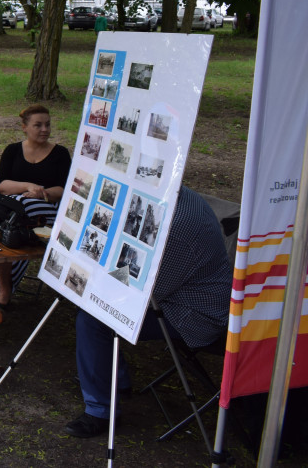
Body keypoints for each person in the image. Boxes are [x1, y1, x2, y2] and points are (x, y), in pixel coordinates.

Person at [66, 186, 231, 438]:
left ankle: (100, 411)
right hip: (176, 297)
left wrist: (94, 282)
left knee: (93, 318)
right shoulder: (175, 197)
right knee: (93, 304)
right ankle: (113, 381)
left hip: (194, 316)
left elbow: (144, 292)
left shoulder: (177, 228)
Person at [0, 104, 72, 308]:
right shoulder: (12, 151)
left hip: (48, 213)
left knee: (19, 214)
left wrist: (41, 193)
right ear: (24, 127)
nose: (45, 129)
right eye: (38, 125)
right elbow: (2, 185)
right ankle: (5, 288)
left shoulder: (60, 154)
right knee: (14, 217)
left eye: (47, 125)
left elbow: (65, 190)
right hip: (14, 211)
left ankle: (6, 290)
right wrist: (28, 186)